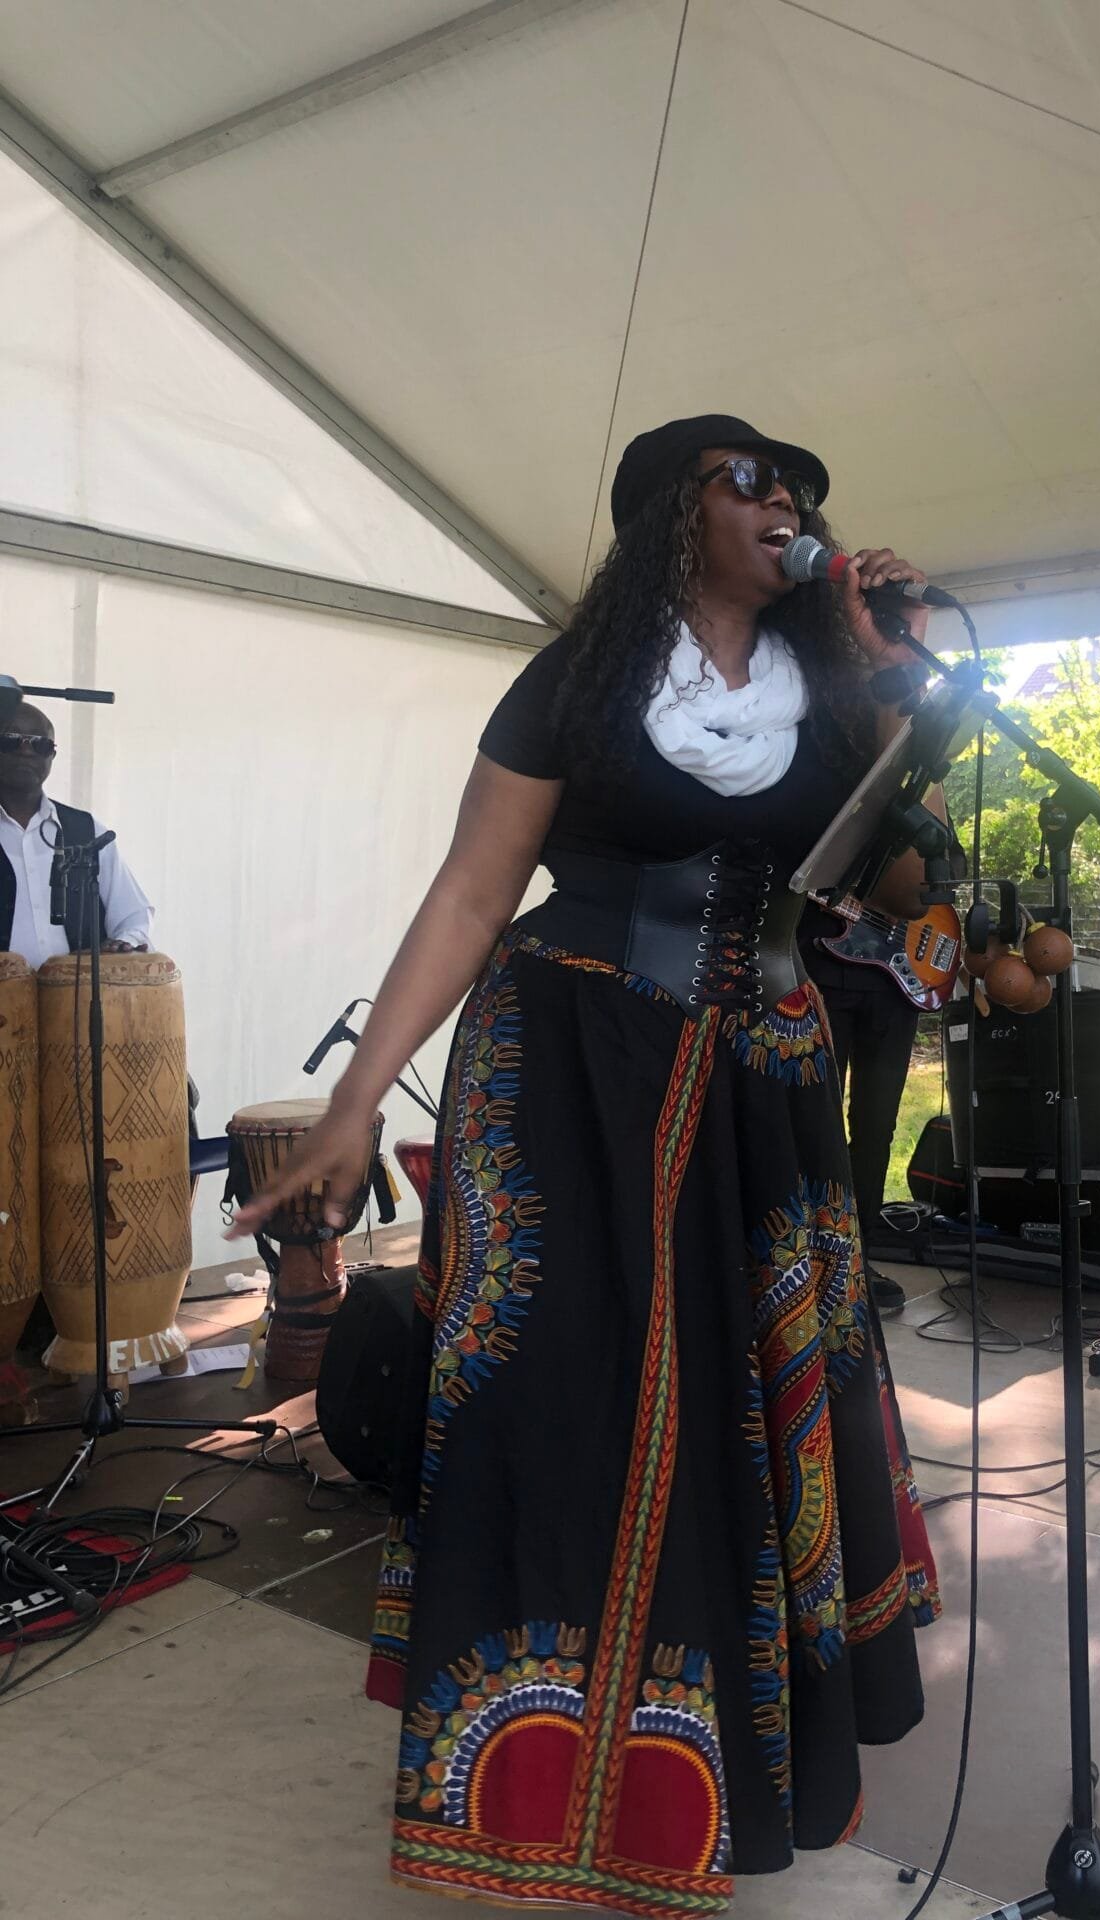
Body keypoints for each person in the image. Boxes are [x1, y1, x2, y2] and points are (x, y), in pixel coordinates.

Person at [229, 415, 943, 1917]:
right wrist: (358, 1100)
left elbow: (899, 884)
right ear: (667, 518)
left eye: (801, 487)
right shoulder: (586, 680)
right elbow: (475, 885)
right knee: (569, 1412)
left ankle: (722, 1776)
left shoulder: (837, 690)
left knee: (746, 1416)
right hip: (569, 1078)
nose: (788, 503)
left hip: (762, 1094)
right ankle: (547, 1786)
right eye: (749, 479)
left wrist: (892, 683)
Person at [798, 908, 917, 1317]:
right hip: (818, 973)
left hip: (895, 985)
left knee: (877, 1129)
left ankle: (858, 1262)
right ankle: (807, 1261)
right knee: (814, 1125)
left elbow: (944, 867)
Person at [0, 701, 152, 966]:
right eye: (12, 740)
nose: (26, 751)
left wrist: (122, 942)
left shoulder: (86, 830)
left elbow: (134, 915)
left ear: (52, 756)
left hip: (76, 1001)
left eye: (40, 744)